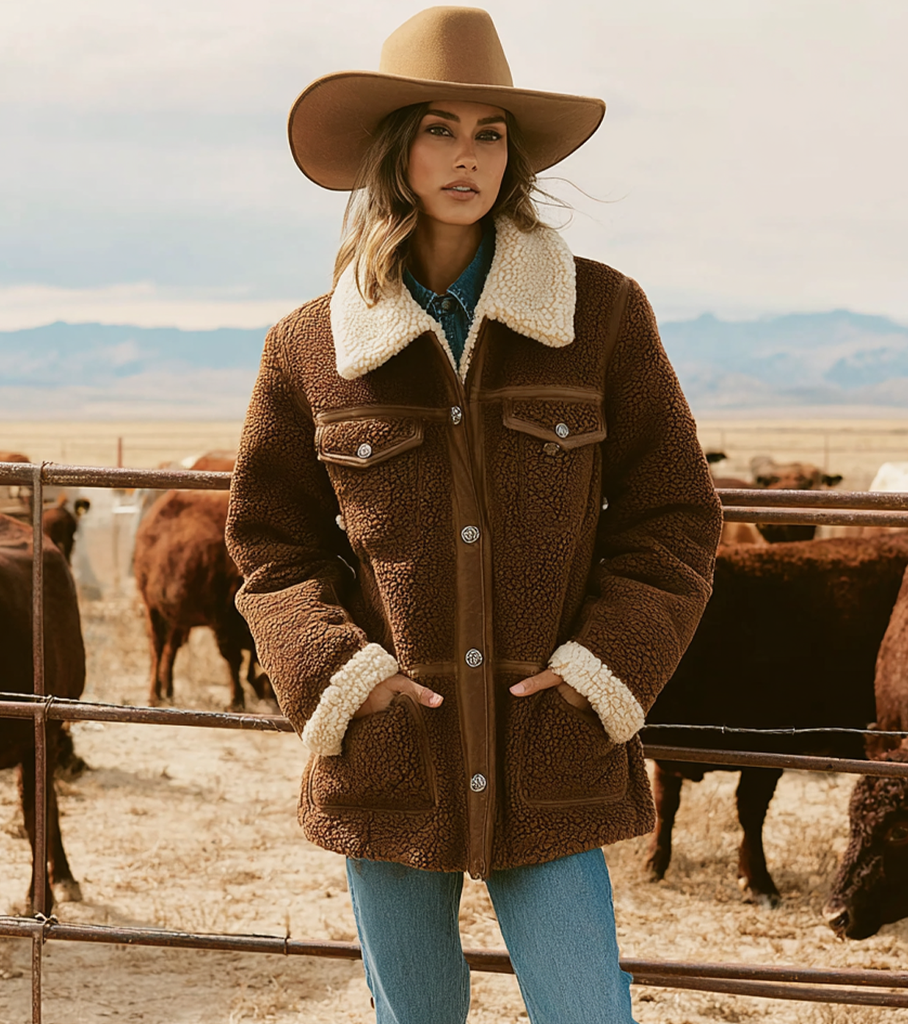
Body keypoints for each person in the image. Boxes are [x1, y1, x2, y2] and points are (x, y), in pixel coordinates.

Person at [226, 7, 722, 1023]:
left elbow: (675, 516)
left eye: (489, 133)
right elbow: (271, 545)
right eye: (440, 130)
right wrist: (344, 678)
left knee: (587, 1011)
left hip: (551, 746)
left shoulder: (602, 314)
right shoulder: (309, 348)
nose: (468, 156)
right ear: (394, 152)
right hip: (390, 757)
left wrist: (600, 670)